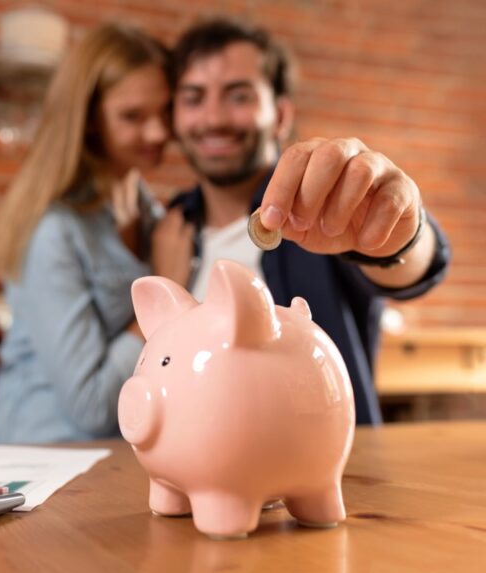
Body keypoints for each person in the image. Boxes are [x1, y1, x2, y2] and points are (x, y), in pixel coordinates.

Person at [155, 17, 450, 425]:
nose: (213, 118)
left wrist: (401, 234)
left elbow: (412, 266)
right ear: (174, 117)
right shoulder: (165, 226)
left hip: (321, 474)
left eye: (238, 96)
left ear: (280, 115)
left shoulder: (321, 203)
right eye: (193, 98)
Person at [0, 23, 172, 443]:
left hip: (116, 460)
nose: (159, 133)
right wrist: (165, 301)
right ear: (88, 121)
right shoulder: (54, 230)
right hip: (43, 467)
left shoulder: (155, 217)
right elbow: (92, 407)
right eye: (133, 116)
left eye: (165, 112)